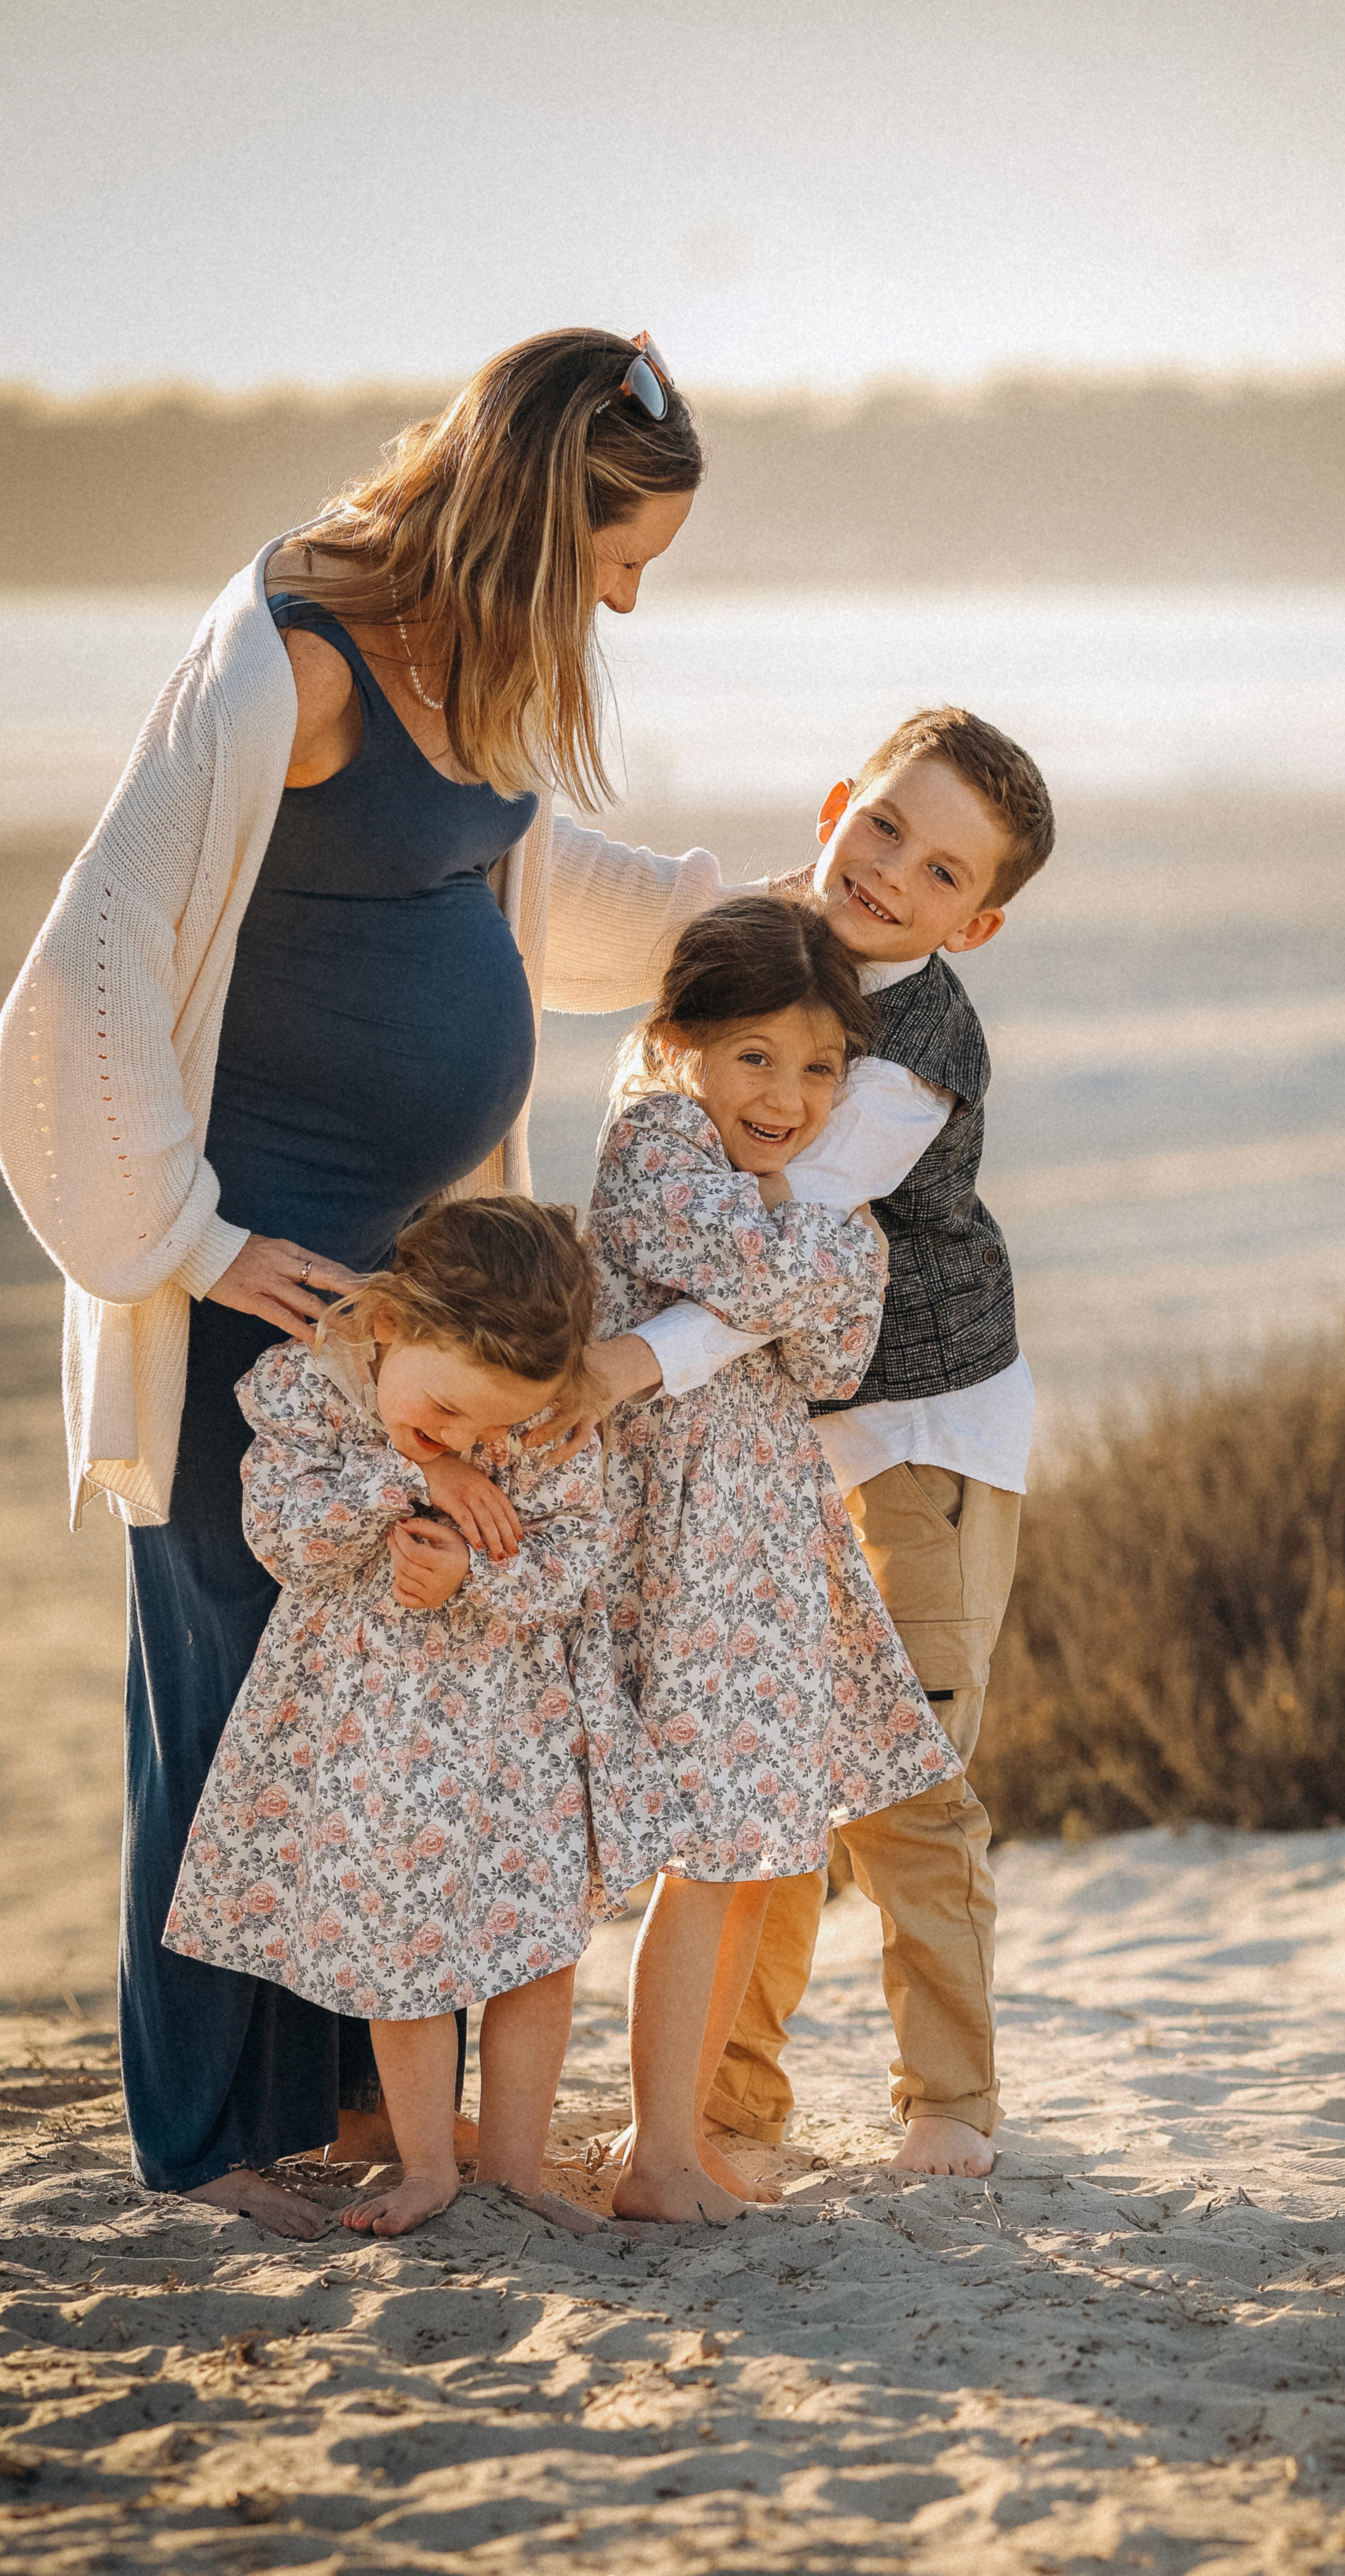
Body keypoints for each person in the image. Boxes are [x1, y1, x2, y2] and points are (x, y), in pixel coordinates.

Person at [0, 328, 730, 2236]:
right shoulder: (294, 659)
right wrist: (193, 1241)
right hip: (260, 1290)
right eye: (619, 552)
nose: (631, 599)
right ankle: (216, 2142)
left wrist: (749, 917)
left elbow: (505, 887)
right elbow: (81, 982)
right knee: (238, 1693)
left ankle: (343, 2119)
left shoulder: (477, 662)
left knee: (373, 1687)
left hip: (410, 1297)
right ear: (520, 515)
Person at [632, 710, 1056, 2179]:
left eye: (940, 871)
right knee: (767, 1771)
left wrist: (633, 1364)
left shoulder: (923, 1041)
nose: (891, 873)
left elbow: (790, 1230)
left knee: (908, 1776)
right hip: (779, 1433)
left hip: (924, 1430)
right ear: (836, 804)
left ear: (977, 922)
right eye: (883, 825)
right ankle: (731, 2098)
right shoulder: (759, 948)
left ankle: (949, 2100)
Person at [162, 1197, 661, 2237]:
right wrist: (412, 1473)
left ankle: (518, 2169)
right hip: (372, 1736)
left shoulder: (544, 1423)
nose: (473, 1441)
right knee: (406, 1951)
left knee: (537, 1949)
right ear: (389, 1327)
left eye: (489, 1427)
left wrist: (471, 1583)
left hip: (515, 1733)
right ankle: (428, 2166)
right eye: (449, 1413)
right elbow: (282, 1537)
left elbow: (576, 1565)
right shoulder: (312, 1398)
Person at [586, 896, 960, 2222]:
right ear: (680, 1040)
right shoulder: (655, 1140)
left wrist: (818, 1270)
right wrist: (842, 1241)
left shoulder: (737, 1172)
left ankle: (679, 2134)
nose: (789, 1099)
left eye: (818, 1070)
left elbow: (839, 1347)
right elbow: (769, 1267)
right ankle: (657, 2155)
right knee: (708, 1853)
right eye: (755, 1058)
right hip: (689, 1555)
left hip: (762, 1546)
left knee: (753, 1854)